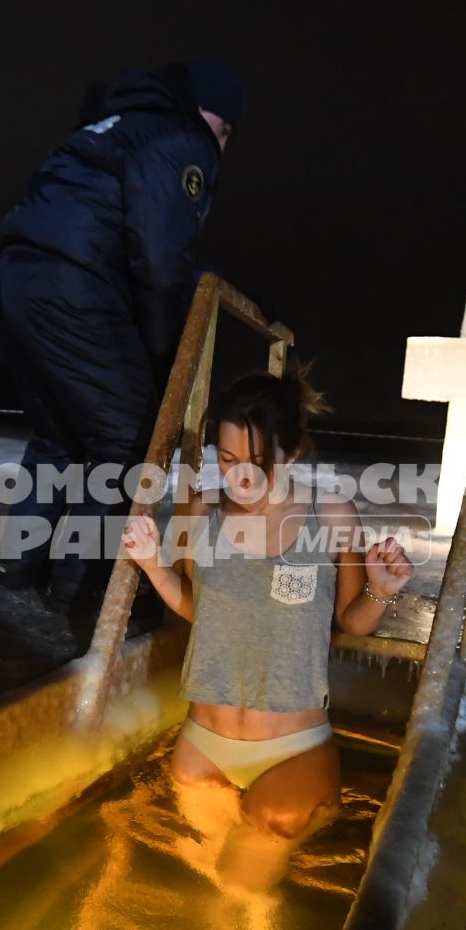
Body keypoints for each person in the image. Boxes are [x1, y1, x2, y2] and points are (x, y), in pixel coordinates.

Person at [120, 358, 415, 842]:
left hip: (292, 748)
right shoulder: (202, 510)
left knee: (242, 886)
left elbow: (352, 622)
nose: (241, 480)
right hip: (202, 746)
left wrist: (379, 591)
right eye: (228, 461)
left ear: (293, 451)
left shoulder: (331, 515)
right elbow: (200, 608)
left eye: (258, 465)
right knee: (201, 889)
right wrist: (154, 565)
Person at [0, 57, 245, 621]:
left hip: (20, 276)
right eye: (225, 130)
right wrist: (162, 351)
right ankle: (82, 588)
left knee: (56, 438)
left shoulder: (116, 127)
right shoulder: (183, 138)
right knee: (128, 446)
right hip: (76, 285)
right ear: (206, 114)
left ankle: (20, 565)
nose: (222, 147)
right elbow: (158, 258)